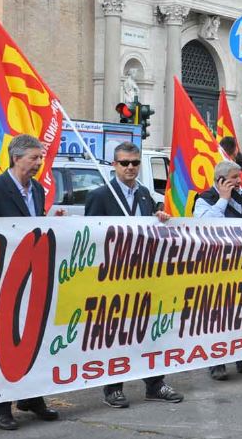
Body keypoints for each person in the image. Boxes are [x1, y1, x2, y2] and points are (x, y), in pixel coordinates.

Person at [0, 134, 61, 431]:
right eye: (34, 158)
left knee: (33, 340)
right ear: (17, 157)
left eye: (40, 158)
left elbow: (34, 227)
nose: (39, 163)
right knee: (2, 345)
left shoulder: (37, 190)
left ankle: (31, 397)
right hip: (1, 281)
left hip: (33, 279)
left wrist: (51, 220)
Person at [85, 141, 184, 408]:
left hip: (145, 276)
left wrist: (159, 217)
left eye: (135, 163)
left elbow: (150, 226)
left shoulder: (144, 194)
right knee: (117, 333)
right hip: (114, 277)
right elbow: (91, 238)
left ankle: (155, 384)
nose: (130, 168)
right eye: (124, 163)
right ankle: (113, 388)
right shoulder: (100, 196)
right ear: (114, 165)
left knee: (150, 331)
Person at [193, 160, 242, 380]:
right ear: (221, 180)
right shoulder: (204, 199)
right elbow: (206, 225)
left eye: (239, 177)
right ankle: (216, 363)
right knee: (218, 316)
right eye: (235, 178)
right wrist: (223, 200)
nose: (239, 181)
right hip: (217, 267)